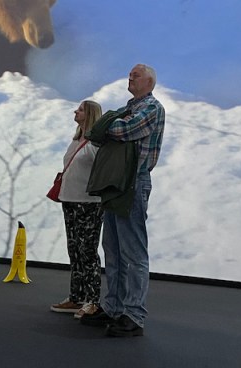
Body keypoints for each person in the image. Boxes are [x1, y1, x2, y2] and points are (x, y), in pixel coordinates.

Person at [80, 64, 165, 338]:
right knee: (113, 249)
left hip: (133, 183)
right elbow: (102, 132)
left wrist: (108, 123)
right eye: (130, 74)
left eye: (136, 75)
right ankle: (114, 307)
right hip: (117, 184)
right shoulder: (129, 107)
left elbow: (122, 130)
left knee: (133, 252)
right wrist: (108, 125)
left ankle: (134, 315)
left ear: (149, 82)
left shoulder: (151, 108)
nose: (130, 77)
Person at [49, 100, 104, 319]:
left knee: (87, 250)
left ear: (90, 114)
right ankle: (76, 296)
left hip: (89, 202)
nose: (76, 111)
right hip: (70, 200)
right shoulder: (77, 139)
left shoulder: (96, 143)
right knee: (74, 249)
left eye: (80, 110)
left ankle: (92, 300)